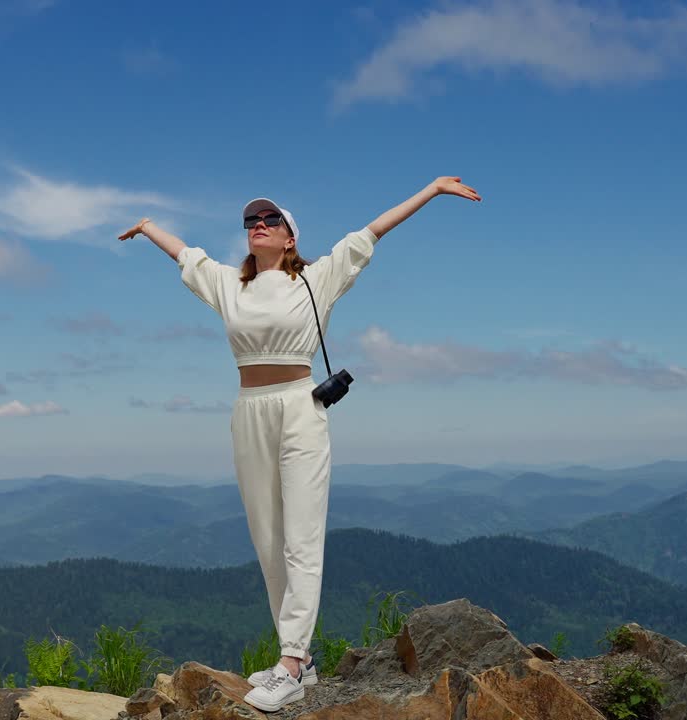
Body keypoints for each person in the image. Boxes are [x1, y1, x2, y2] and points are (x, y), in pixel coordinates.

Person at [118, 176, 481, 712]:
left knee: (301, 536)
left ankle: (290, 660)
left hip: (299, 406)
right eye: (250, 222)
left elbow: (372, 231)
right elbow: (186, 256)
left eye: (269, 220)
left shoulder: (317, 278)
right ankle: (303, 663)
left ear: (290, 237)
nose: (257, 226)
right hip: (249, 412)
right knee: (268, 538)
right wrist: (149, 227)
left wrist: (431, 190)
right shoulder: (228, 285)